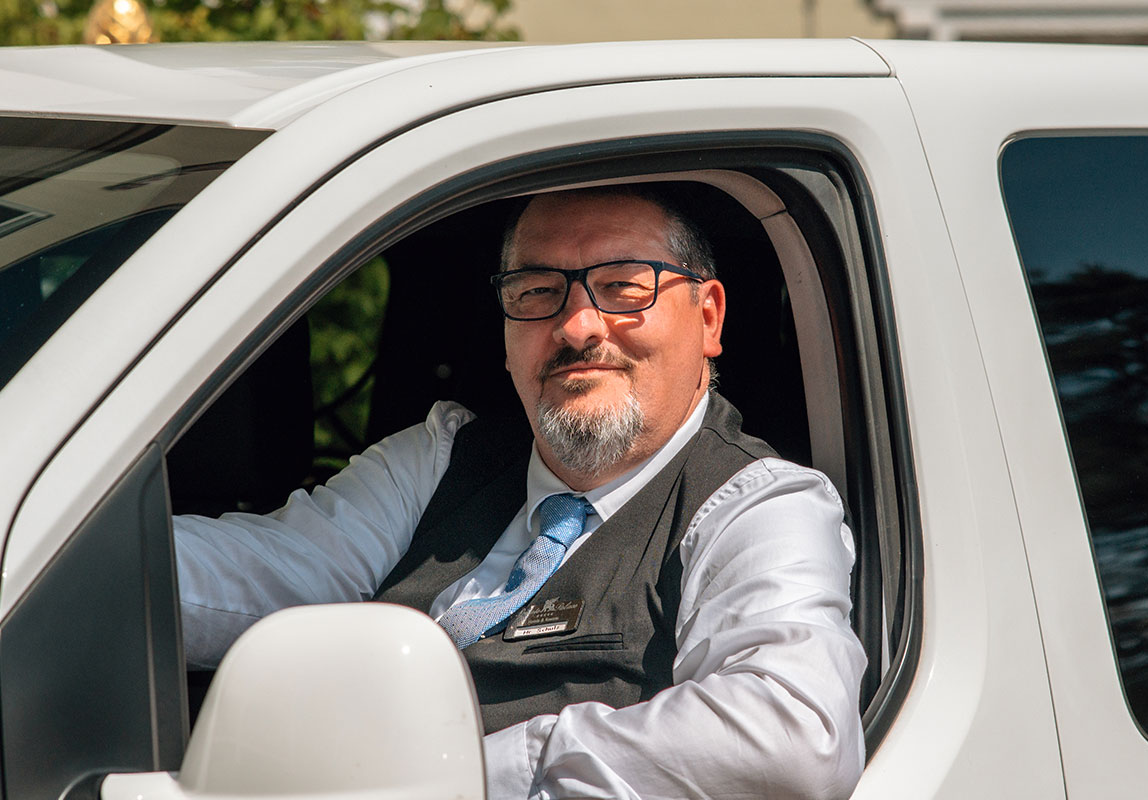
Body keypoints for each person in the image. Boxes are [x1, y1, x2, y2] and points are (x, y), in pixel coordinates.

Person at [174, 185, 867, 799]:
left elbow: (793, 738)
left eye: (626, 286)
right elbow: (243, 576)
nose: (576, 326)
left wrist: (469, 775)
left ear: (709, 318)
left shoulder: (756, 504)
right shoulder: (440, 458)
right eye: (537, 292)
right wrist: (82, 544)